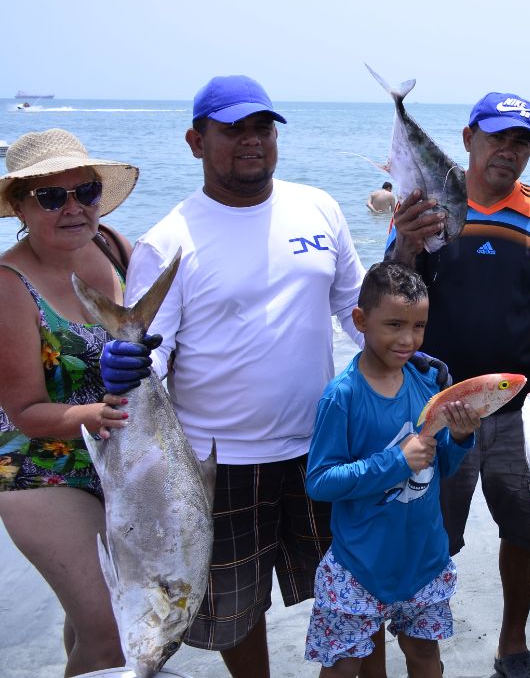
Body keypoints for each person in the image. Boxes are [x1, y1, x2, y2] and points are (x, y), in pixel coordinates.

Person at [121, 75, 368, 677]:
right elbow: (152, 355)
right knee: (233, 611)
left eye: (262, 127)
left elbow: (355, 309)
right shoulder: (168, 241)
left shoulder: (320, 207)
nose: (252, 140)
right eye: (233, 129)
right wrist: (129, 366)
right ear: (195, 141)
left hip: (324, 447)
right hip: (217, 461)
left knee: (355, 592)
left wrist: (406, 356)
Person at [387, 91, 530, 678]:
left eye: (521, 141)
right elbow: (394, 294)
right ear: (468, 138)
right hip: (436, 408)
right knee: (429, 534)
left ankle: (512, 643)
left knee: (525, 528)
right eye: (497, 137)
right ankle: (425, 653)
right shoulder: (428, 202)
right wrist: (407, 240)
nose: (509, 151)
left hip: (518, 408)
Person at [0, 128, 139, 674]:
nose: (74, 208)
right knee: (110, 632)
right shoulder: (9, 285)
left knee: (89, 623)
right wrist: (95, 414)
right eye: (52, 198)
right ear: (18, 205)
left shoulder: (114, 245)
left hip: (115, 459)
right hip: (39, 467)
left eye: (84, 191)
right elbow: (24, 414)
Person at [305, 262, 482, 678]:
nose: (408, 339)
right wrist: (395, 461)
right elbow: (319, 481)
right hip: (358, 564)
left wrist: (459, 438)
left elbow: (442, 468)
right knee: (343, 666)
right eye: (395, 324)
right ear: (361, 320)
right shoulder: (342, 396)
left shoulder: (428, 386)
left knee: (424, 656)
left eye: (419, 326)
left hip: (424, 559)